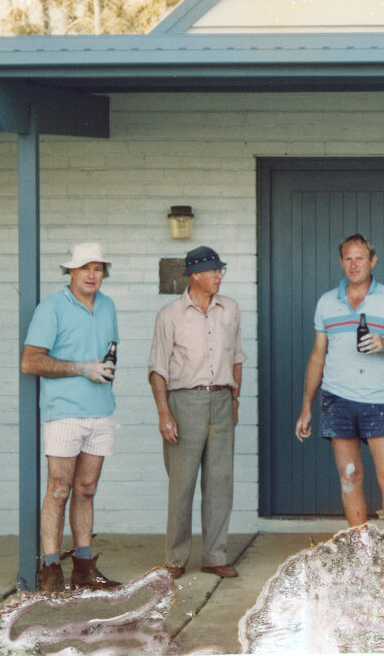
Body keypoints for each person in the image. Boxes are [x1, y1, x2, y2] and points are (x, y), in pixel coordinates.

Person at [294, 233, 384, 531]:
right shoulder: (327, 302)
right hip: (337, 399)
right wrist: (306, 407)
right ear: (341, 262)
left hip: (379, 400)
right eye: (348, 259)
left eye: (360, 258)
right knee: (349, 476)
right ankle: (361, 548)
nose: (354, 265)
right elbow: (317, 356)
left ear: (372, 261)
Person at [20, 241, 121, 593]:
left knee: (87, 489)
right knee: (59, 488)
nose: (92, 275)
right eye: (85, 268)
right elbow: (30, 361)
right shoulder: (52, 308)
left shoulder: (107, 306)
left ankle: (84, 567)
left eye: (98, 268)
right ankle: (51, 568)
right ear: (71, 272)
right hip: (63, 412)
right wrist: (82, 368)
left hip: (101, 411)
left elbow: (110, 351)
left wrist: (104, 370)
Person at [148, 246, 245, 579]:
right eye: (213, 271)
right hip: (184, 402)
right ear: (195, 275)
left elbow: (237, 358)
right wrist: (164, 413)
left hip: (222, 401)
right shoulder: (170, 314)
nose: (219, 277)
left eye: (220, 271)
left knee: (220, 483)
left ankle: (215, 555)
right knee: (182, 483)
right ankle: (175, 558)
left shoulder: (230, 309)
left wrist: (235, 400)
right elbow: (157, 369)